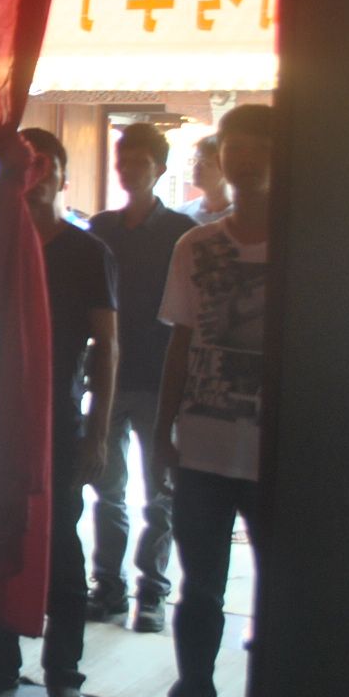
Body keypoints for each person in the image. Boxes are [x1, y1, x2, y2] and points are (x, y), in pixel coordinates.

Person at [0, 128, 117, 697]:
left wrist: (98, 432)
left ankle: (63, 674)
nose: (35, 177)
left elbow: (107, 346)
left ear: (62, 176)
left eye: (46, 165)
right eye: (25, 166)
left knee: (60, 545)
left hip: (57, 422)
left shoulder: (86, 252)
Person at [148, 103, 271, 697]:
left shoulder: (312, 246)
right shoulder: (195, 247)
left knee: (282, 594)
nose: (244, 161)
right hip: (203, 446)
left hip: (278, 454)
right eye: (235, 150)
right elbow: (182, 343)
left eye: (258, 148)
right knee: (199, 589)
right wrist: (163, 428)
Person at [86, 124, 195, 631]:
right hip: (109, 375)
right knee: (107, 487)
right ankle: (108, 585)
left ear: (160, 169)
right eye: (123, 161)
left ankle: (152, 590)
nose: (129, 170)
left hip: (158, 376)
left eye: (140, 162)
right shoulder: (101, 228)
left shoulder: (181, 232)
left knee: (160, 492)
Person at [177, 133, 232, 227]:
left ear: (226, 168)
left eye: (206, 162)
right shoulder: (182, 213)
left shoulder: (240, 216)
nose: (196, 167)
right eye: (195, 160)